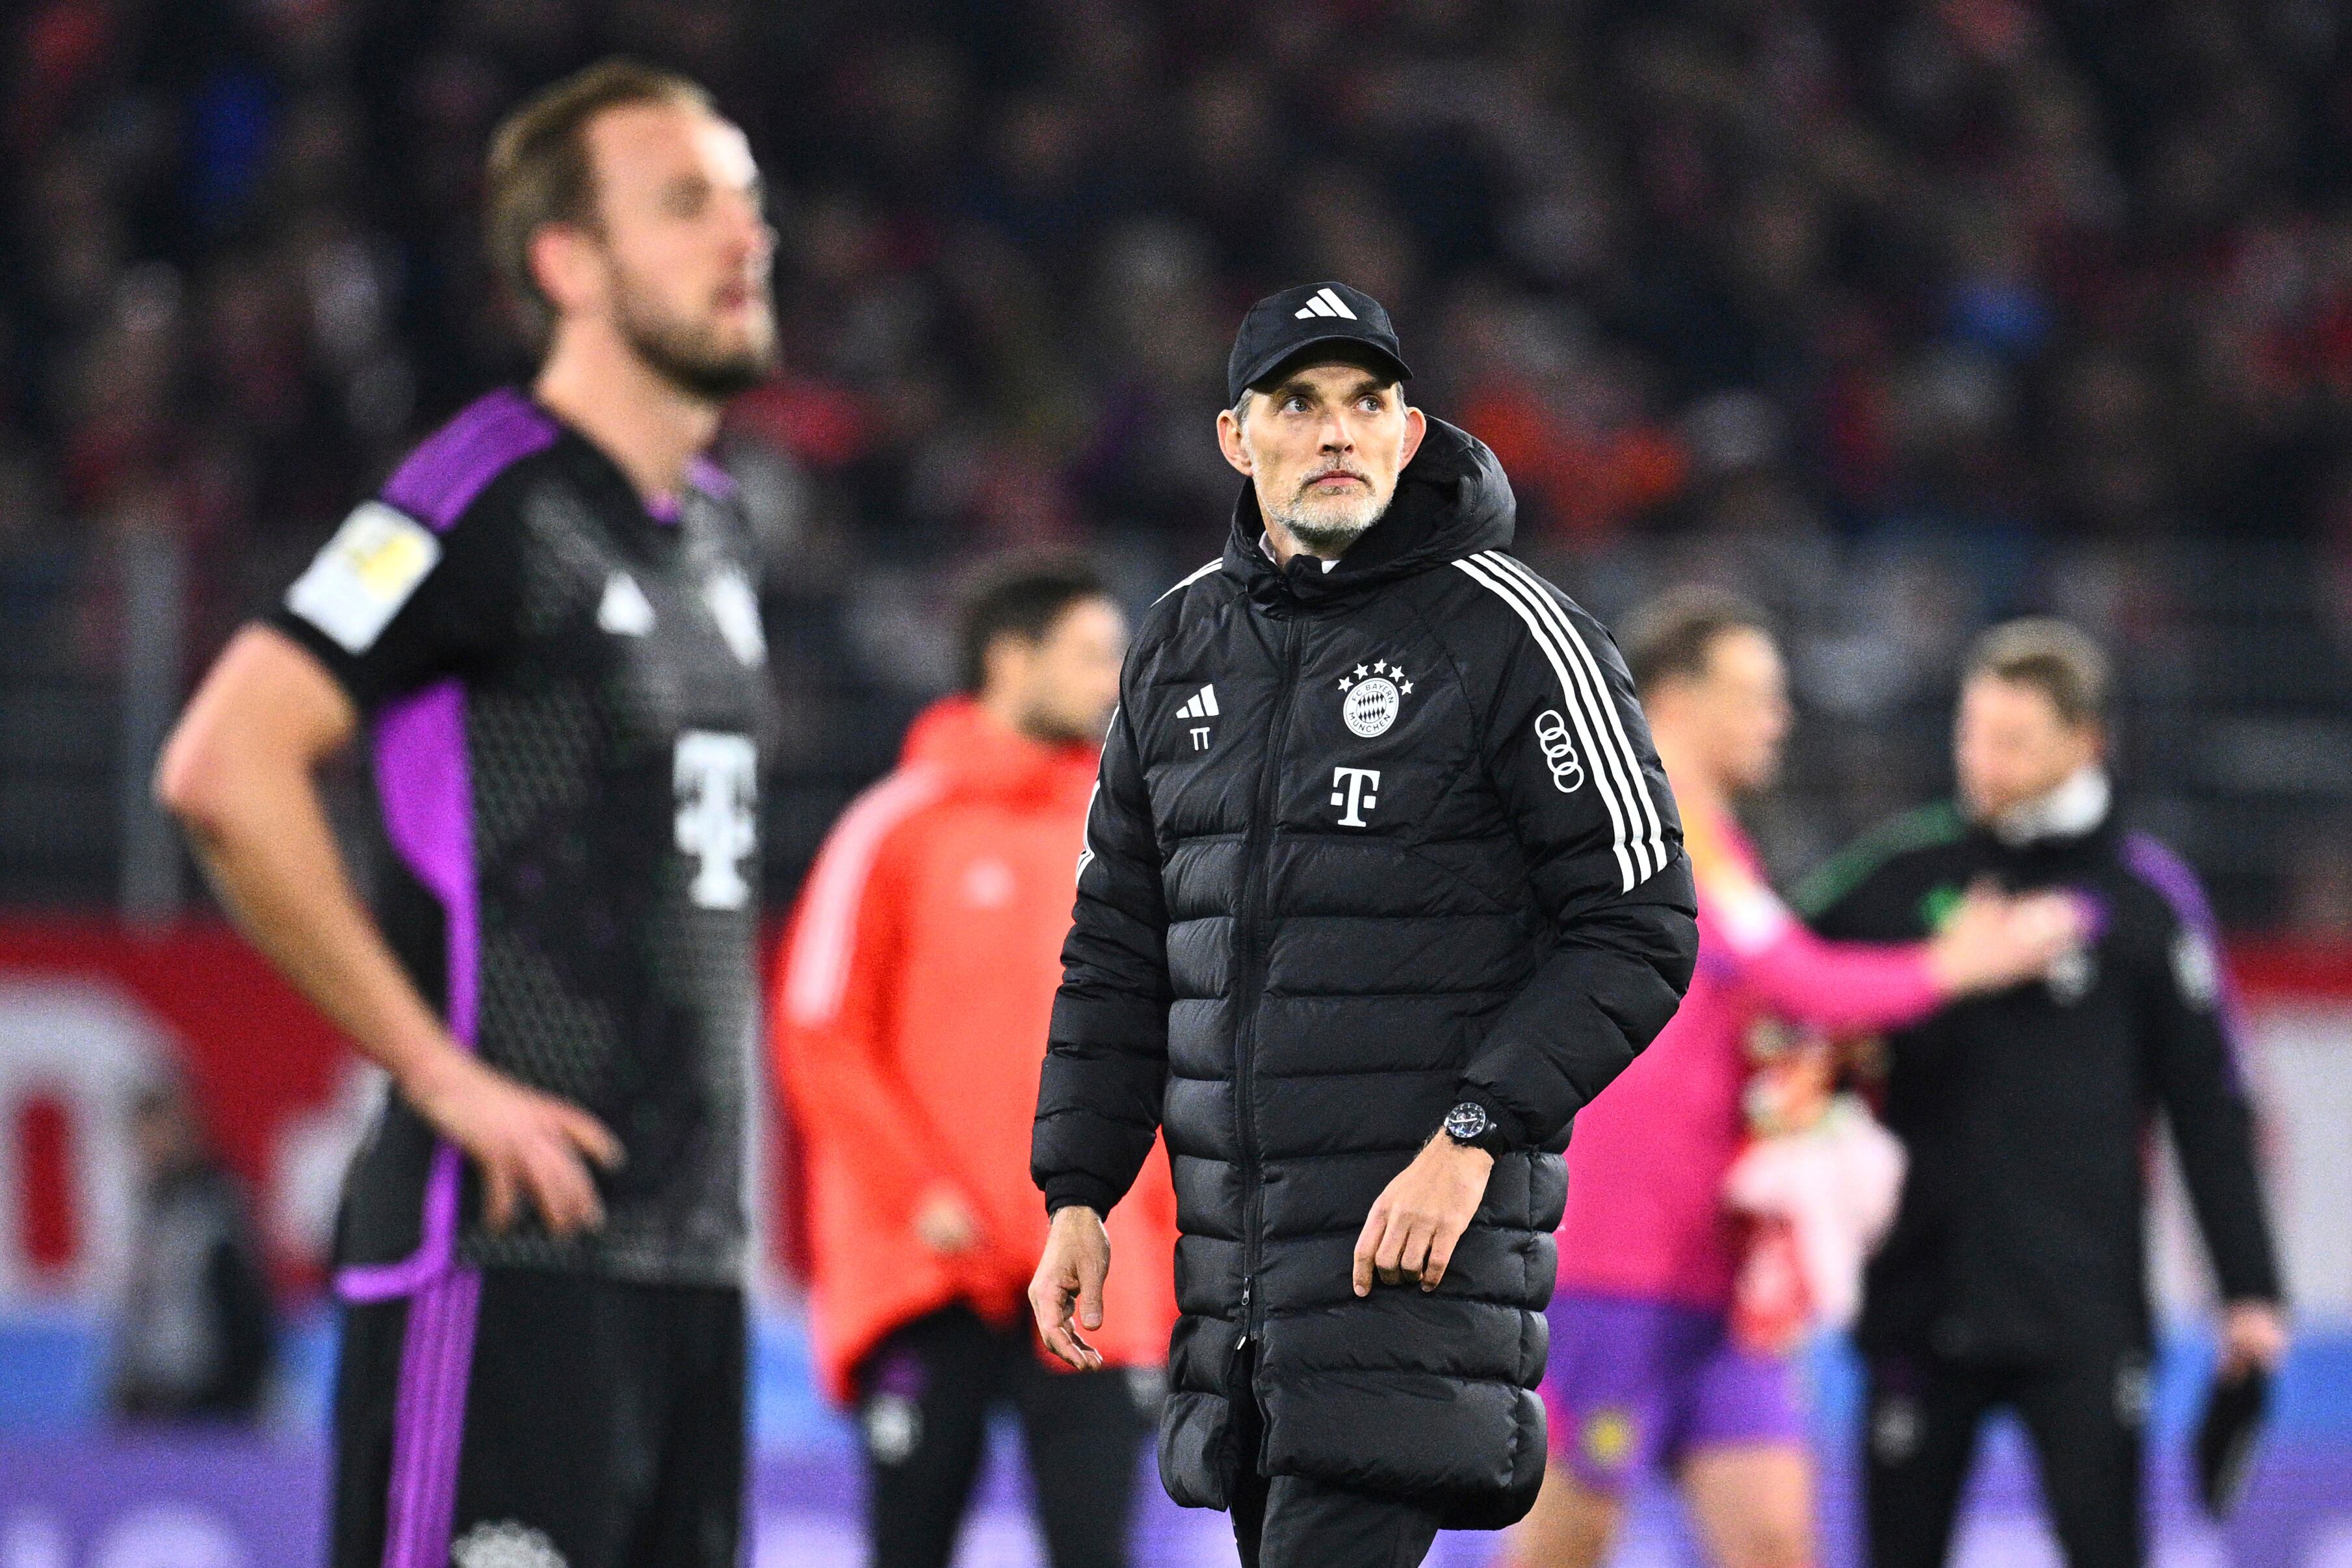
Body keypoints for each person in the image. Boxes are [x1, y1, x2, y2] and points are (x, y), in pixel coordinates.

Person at [155, 59, 777, 1568]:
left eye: (749, 199)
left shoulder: (715, 530)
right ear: (567, 262)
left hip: (689, 1269)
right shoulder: (482, 493)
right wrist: (438, 1071)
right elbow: (224, 762)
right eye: (686, 203)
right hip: (503, 1261)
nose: (744, 237)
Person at [1026, 280, 1702, 1568]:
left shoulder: (1516, 635)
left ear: (1407, 431)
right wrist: (1078, 1189)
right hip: (1238, 1303)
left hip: (1410, 1276)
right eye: (1298, 404)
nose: (1336, 431)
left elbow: (1640, 925)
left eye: (1366, 403)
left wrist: (1474, 1133)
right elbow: (1118, 944)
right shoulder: (1178, 646)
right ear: (1238, 440)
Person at [1503, 590, 2080, 1568]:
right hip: (1613, 1258)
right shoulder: (1626, 832)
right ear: (1677, 703)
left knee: (1774, 1542)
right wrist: (1954, 966)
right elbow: (1793, 978)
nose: (1779, 717)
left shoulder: (1723, 847)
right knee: (1567, 1542)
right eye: (1754, 696)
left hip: (1720, 1268)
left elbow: (1760, 1000)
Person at [1796, 618, 2289, 1568]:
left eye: (2014, 741)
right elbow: (1771, 984)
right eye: (1971, 734)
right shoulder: (1901, 875)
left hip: (2084, 1312)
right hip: (1918, 1295)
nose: (1983, 762)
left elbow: (2209, 1108)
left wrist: (2249, 1291)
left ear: (2087, 742)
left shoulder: (2146, 898)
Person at [774, 560, 1181, 1568]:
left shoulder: (1137, 840)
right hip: (928, 1273)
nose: (1112, 681)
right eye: (1092, 655)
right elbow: (818, 1033)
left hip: (1098, 1275)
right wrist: (917, 1195)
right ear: (1011, 659)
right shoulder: (893, 827)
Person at [109, 1079, 277, 1422]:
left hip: (208, 1396)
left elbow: (244, 1303)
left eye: (158, 1132)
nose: (150, 1146)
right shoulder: (152, 1205)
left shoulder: (216, 1205)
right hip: (153, 1392)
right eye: (142, 1136)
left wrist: (243, 1391)